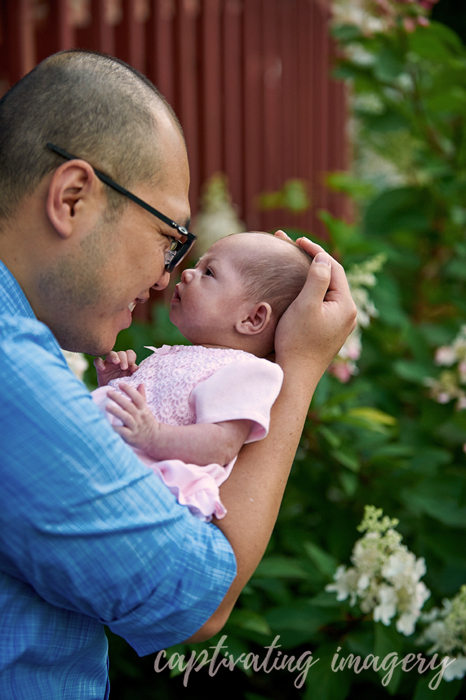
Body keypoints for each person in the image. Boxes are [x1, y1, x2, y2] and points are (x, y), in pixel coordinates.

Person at [0, 49, 357, 699]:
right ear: (72, 197)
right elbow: (196, 597)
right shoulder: (10, 371)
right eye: (170, 236)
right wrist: (300, 366)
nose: (168, 275)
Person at [92, 232, 311, 522]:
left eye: (209, 272)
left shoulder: (247, 371)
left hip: (148, 489)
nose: (186, 273)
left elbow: (221, 444)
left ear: (252, 319)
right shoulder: (186, 355)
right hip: (112, 466)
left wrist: (154, 436)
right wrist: (116, 385)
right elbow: (154, 408)